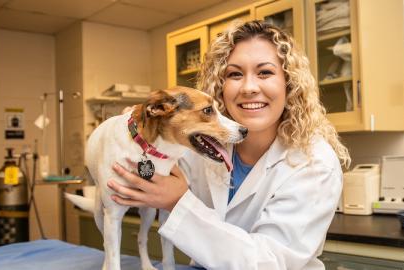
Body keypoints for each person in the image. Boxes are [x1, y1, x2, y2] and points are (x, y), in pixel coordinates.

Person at [106, 20, 351, 269]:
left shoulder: (314, 163)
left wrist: (177, 202)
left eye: (264, 72)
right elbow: (153, 163)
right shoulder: (198, 147)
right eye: (235, 74)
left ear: (289, 84)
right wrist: (140, 135)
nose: (248, 88)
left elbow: (268, 263)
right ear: (220, 87)